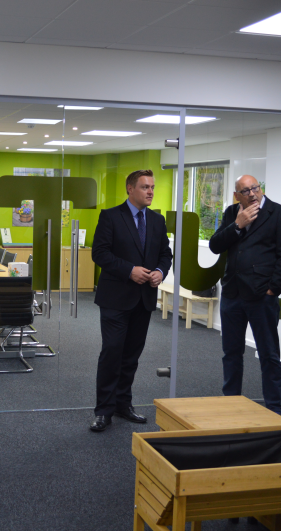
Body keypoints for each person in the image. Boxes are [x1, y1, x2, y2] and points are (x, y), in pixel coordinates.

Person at [90, 169, 173, 432]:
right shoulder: (111, 216)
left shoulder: (158, 221)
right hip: (116, 298)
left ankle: (123, 404)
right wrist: (130, 270)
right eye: (145, 187)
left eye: (152, 187)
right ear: (130, 189)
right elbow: (99, 254)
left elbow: (165, 254)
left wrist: (160, 271)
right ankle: (103, 410)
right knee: (112, 352)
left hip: (144, 299)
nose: (150, 191)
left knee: (131, 356)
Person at [209, 175, 281, 414]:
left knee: (268, 354)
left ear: (261, 188)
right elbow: (216, 245)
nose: (252, 194)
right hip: (233, 293)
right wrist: (237, 225)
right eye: (245, 191)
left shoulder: (279, 213)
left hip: (261, 296)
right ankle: (231, 402)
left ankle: (274, 407)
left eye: (255, 188)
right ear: (237, 195)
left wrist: (273, 289)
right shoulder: (231, 212)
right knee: (231, 353)